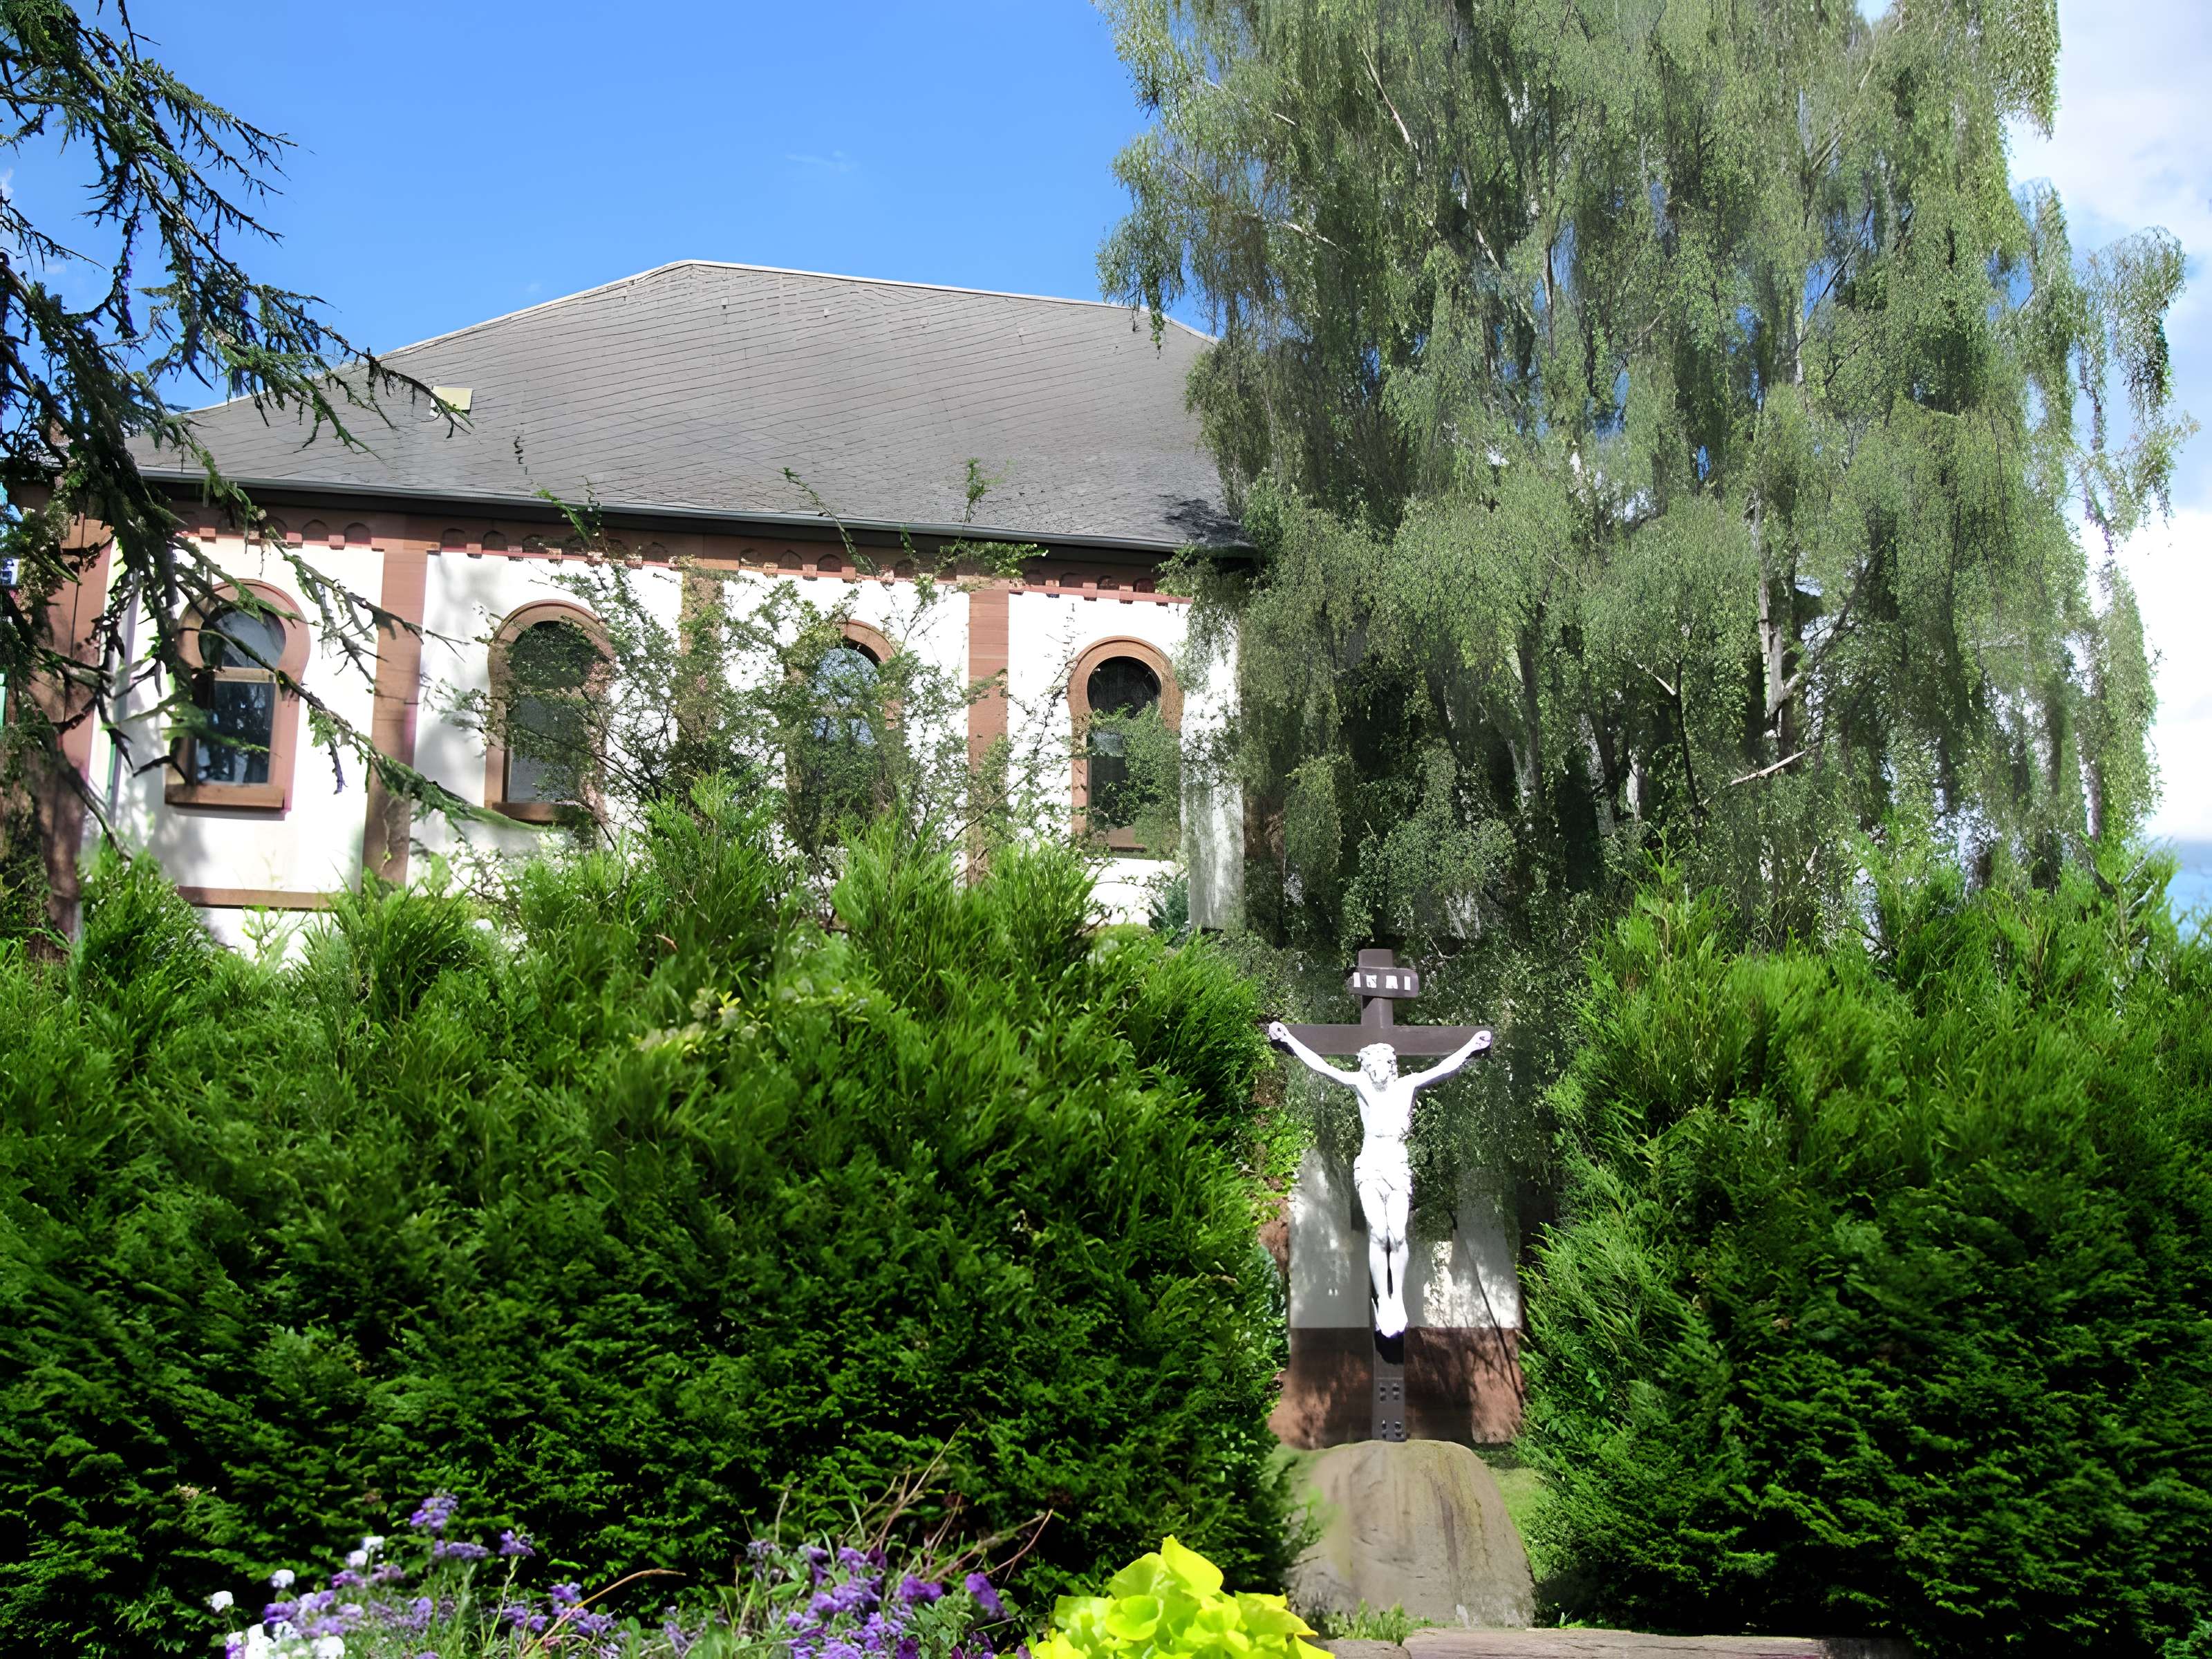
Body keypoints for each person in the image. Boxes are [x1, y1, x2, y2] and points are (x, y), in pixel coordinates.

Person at [1266, 1022, 1492, 1341]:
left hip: (1397, 1166)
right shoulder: (1361, 1084)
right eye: (1370, 1066)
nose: (1376, 1071)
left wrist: (1470, 1047)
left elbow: (1443, 1068)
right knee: (1378, 1231)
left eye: (1381, 1064)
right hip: (1370, 1167)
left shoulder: (1407, 1085)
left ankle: (1396, 1296)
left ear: (1391, 1065)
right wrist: (1289, 1039)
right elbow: (1323, 1067)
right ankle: (1382, 1299)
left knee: (1397, 1235)